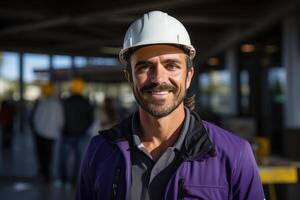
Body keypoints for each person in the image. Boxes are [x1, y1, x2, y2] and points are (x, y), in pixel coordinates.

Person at [76, 11, 265, 200]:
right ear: (129, 78)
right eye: (144, 67)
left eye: (171, 65)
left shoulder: (234, 154)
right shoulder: (100, 151)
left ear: (189, 76)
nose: (158, 78)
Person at [59, 78, 94, 186]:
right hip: (81, 134)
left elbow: (60, 118)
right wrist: (83, 128)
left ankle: (63, 180)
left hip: (67, 134)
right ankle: (74, 180)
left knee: (63, 158)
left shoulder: (65, 101)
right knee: (79, 159)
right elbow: (91, 119)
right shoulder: (86, 102)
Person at [30, 83, 64, 182]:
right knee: (48, 154)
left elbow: (34, 117)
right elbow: (60, 120)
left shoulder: (41, 102)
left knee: (41, 153)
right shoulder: (57, 104)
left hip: (39, 133)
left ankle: (42, 171)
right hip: (51, 133)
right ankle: (46, 173)